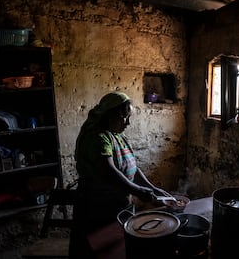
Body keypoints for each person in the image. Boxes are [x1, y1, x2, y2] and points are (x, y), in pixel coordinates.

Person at [69, 91, 167, 258]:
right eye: (125, 117)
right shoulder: (97, 138)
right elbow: (109, 172)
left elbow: (132, 168)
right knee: (101, 251)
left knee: (120, 249)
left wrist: (152, 188)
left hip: (119, 206)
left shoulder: (117, 135)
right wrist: (138, 191)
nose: (128, 123)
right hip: (99, 209)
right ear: (111, 115)